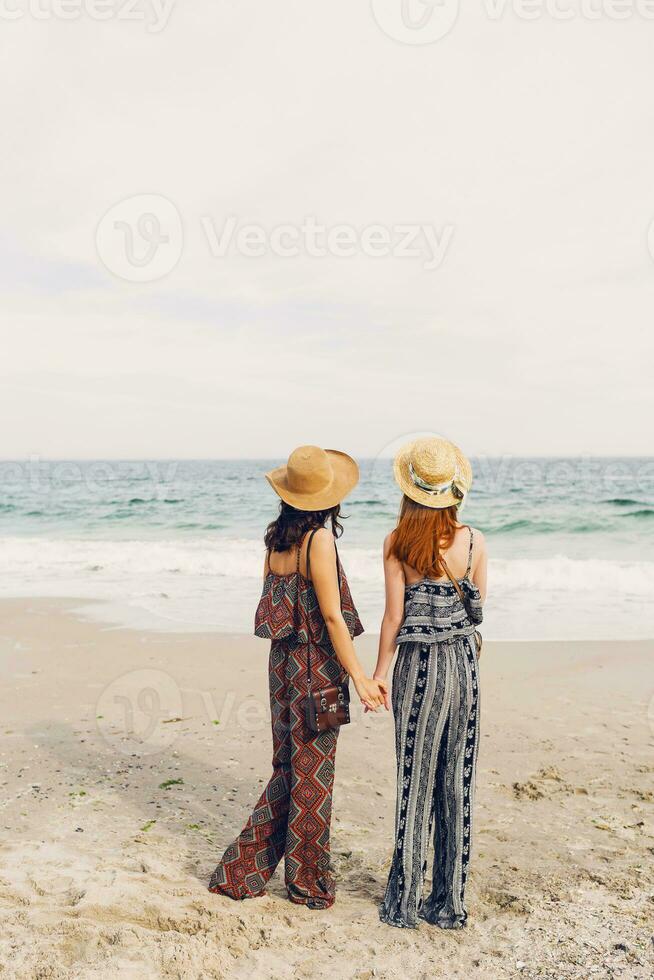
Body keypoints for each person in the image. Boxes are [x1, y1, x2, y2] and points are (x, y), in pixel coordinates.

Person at [209, 445, 387, 909]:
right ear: (328, 497)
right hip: (318, 671)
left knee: (288, 768)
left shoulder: (276, 542)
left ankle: (241, 873)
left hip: (282, 668)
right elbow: (331, 618)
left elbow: (277, 609)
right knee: (313, 777)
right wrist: (362, 677)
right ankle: (306, 882)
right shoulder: (319, 541)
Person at [374, 436, 487, 929]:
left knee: (413, 781)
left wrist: (378, 675)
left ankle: (403, 900)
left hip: (417, 669)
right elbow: (479, 611)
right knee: (456, 781)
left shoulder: (397, 542)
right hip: (462, 668)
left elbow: (392, 618)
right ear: (454, 491)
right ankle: (447, 901)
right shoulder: (476, 542)